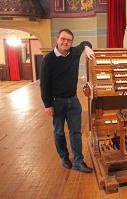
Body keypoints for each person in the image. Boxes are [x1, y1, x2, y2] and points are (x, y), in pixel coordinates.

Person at [40, 29, 95, 173]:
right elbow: (44, 84)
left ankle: (78, 161)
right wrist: (48, 105)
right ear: (57, 39)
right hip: (56, 101)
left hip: (73, 101)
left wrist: (88, 47)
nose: (65, 42)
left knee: (76, 132)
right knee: (58, 131)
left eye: (69, 40)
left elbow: (84, 43)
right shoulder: (49, 59)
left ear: (71, 42)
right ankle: (64, 157)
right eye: (63, 39)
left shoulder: (74, 53)